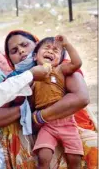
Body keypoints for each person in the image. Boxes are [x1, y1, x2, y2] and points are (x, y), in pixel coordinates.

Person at [0, 30, 97, 168]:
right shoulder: (14, 80)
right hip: (40, 132)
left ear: (37, 46)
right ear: (10, 59)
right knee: (18, 135)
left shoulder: (61, 67)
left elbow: (81, 98)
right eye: (14, 51)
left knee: (90, 147)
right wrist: (24, 109)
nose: (21, 51)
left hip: (71, 126)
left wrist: (40, 116)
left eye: (24, 45)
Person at [31, 36, 83, 168]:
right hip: (46, 125)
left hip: (66, 121)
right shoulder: (32, 76)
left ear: (60, 60)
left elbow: (77, 63)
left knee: (75, 158)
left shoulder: (60, 70)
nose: (50, 51)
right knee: (43, 156)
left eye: (56, 50)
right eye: (47, 48)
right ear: (35, 56)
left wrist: (67, 44)